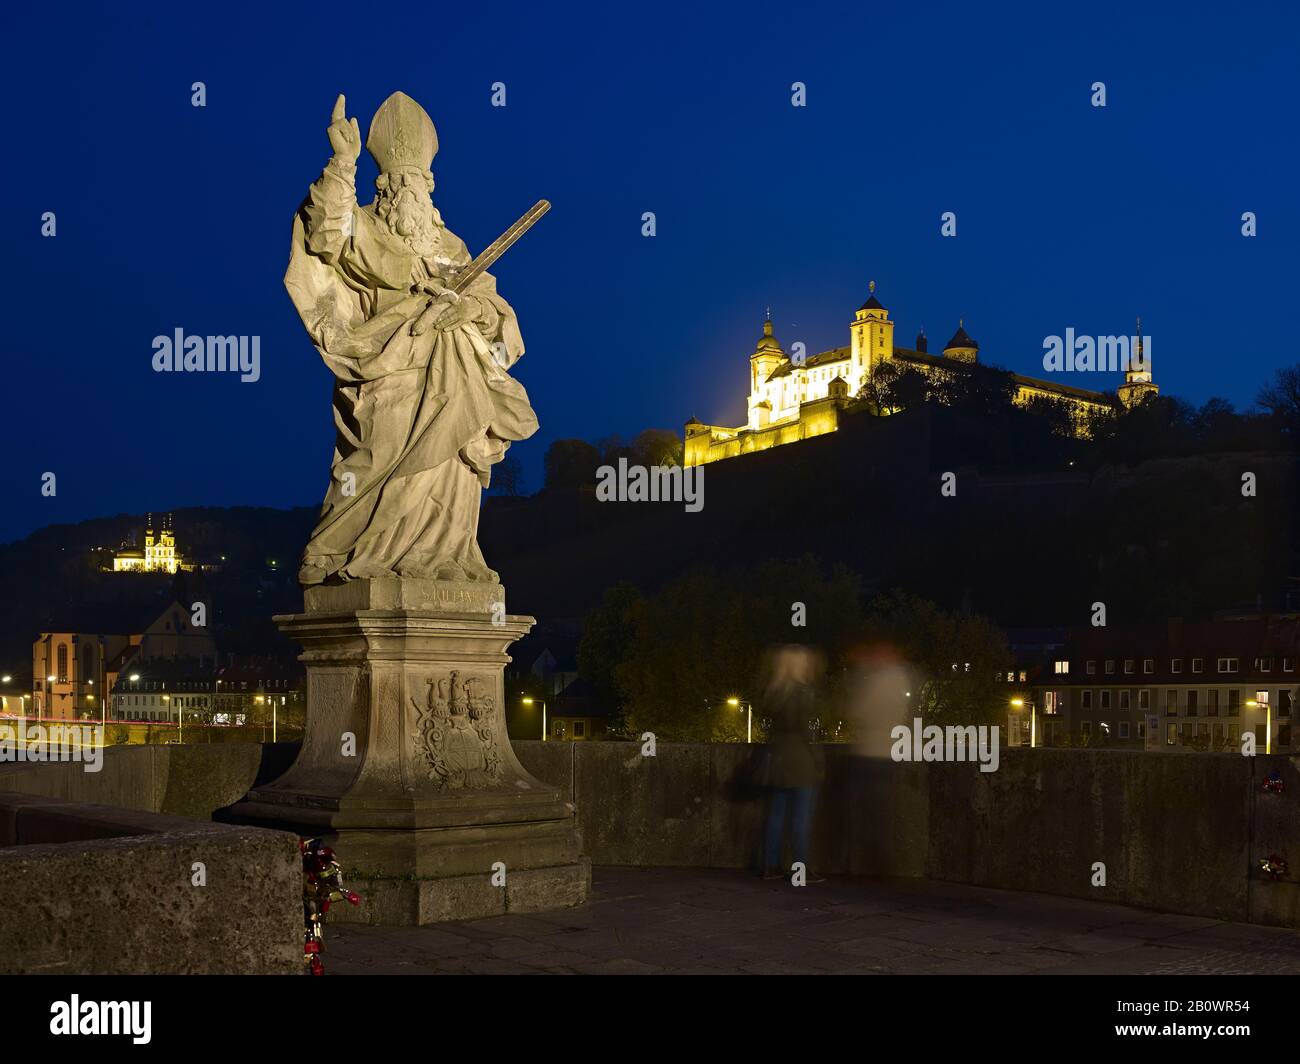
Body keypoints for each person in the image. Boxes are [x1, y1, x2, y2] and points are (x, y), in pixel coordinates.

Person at [760, 645, 826, 881]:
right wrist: (819, 760)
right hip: (800, 760)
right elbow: (806, 731)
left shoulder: (774, 692)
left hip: (778, 758)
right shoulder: (802, 692)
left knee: (776, 814)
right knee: (801, 817)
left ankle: (771, 865)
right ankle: (801, 868)